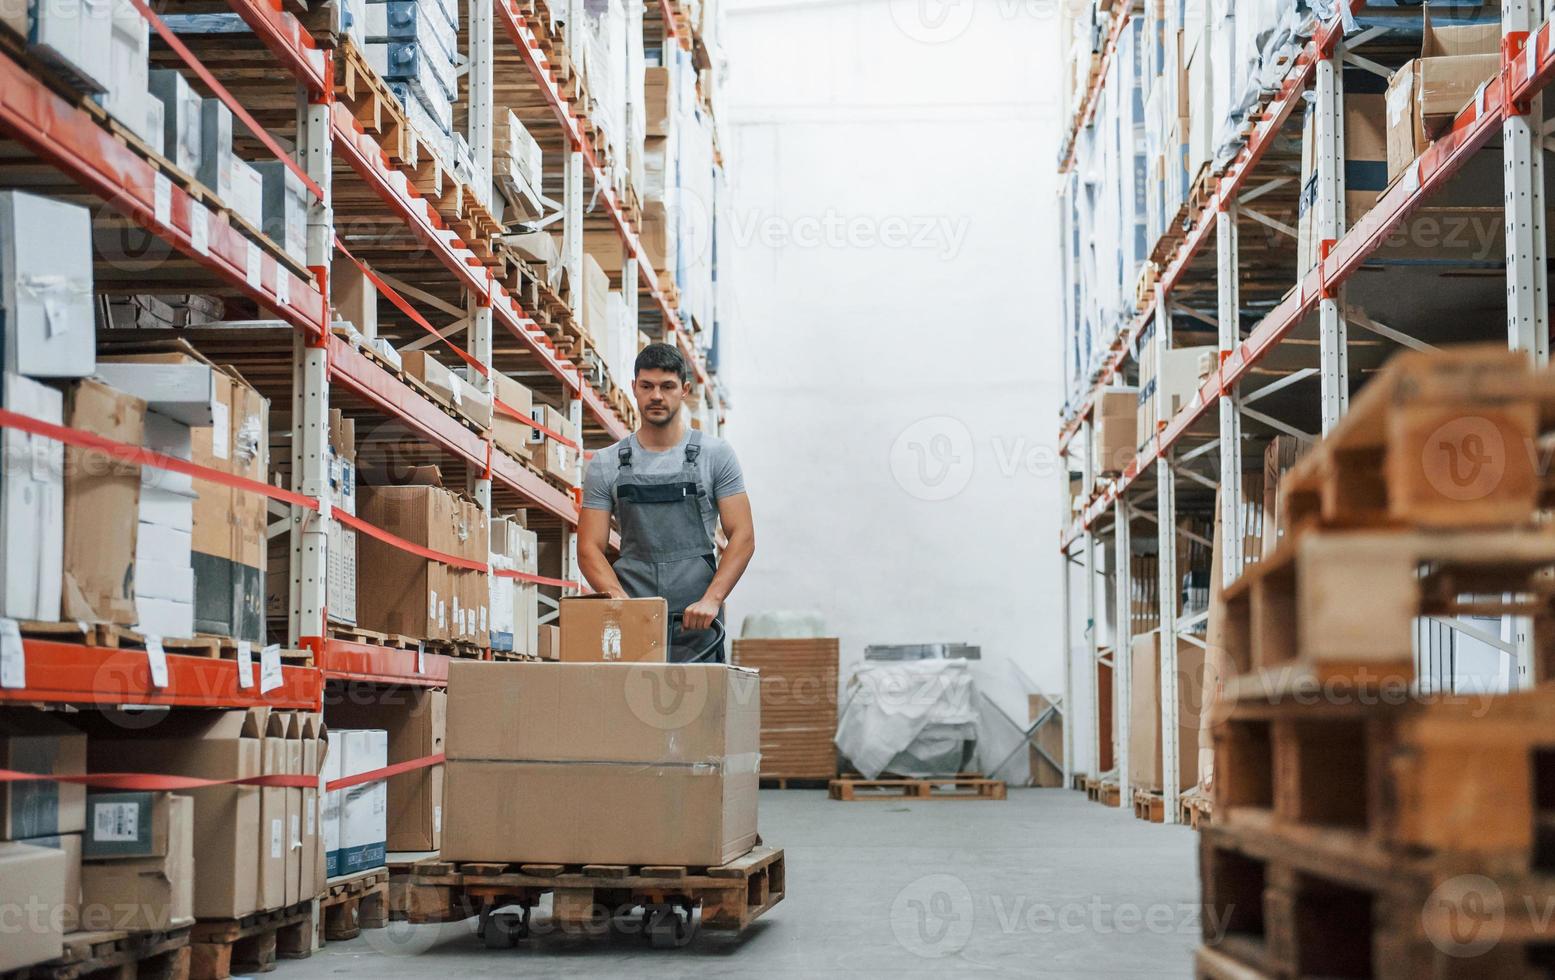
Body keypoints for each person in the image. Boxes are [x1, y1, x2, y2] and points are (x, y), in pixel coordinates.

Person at [577, 343, 755, 662]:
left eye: (667, 386)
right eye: (647, 386)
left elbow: (743, 536)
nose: (656, 396)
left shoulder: (716, 456)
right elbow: (589, 546)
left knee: (700, 708)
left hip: (697, 618)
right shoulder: (606, 463)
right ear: (634, 388)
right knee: (625, 708)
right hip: (632, 616)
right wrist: (619, 600)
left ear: (684, 390)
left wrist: (712, 600)